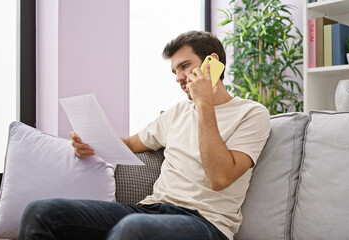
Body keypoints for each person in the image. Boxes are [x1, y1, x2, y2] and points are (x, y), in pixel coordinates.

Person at [18, 31, 270, 240]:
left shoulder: (251, 114)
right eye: (175, 72)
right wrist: (89, 144)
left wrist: (204, 104)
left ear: (212, 63)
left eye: (185, 66)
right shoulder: (176, 113)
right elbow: (129, 144)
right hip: (150, 210)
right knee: (40, 212)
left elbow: (220, 177)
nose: (179, 78)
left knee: (133, 230)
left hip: (204, 223)